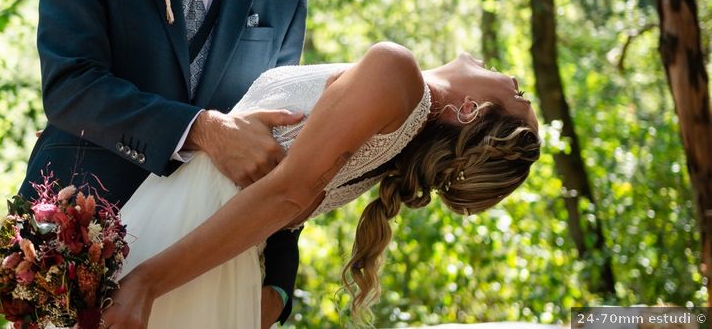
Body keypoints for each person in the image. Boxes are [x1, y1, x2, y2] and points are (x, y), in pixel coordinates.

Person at [17, 0, 311, 324]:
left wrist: (277, 287)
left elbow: (280, 146)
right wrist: (203, 129)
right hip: (78, 254)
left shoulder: (283, 0)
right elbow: (71, 87)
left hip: (206, 272)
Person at [103, 44, 541, 328]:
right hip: (205, 250)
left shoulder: (397, 74)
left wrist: (146, 283)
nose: (511, 78)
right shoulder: (396, 133)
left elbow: (286, 195)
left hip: (180, 237)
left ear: (468, 111)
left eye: (516, 93)